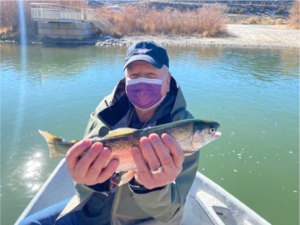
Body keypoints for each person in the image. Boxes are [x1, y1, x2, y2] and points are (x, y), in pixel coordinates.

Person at [19, 40, 200, 225]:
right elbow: (85, 177)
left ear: (168, 80)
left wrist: (151, 189)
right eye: (135, 75)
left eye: (151, 74)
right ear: (126, 79)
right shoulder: (107, 109)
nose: (142, 81)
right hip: (91, 212)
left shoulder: (184, 130)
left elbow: (170, 211)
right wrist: (90, 181)